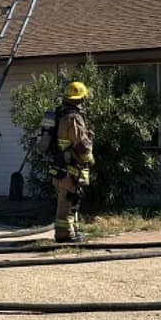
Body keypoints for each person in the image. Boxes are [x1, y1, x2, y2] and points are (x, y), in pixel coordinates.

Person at [52, 81, 94, 243]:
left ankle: (72, 231)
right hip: (71, 166)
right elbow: (81, 144)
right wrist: (90, 159)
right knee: (68, 200)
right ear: (80, 99)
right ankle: (64, 234)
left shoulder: (61, 115)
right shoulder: (73, 118)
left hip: (62, 164)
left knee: (72, 200)